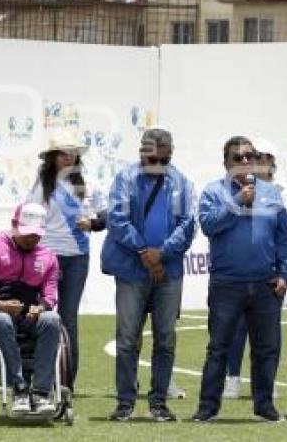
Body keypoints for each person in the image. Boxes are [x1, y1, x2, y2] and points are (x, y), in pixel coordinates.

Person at [192, 136, 287, 423]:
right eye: (238, 158)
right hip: (227, 283)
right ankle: (208, 407)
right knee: (218, 347)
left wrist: (284, 273)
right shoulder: (213, 192)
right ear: (226, 163)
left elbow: (282, 237)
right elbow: (209, 226)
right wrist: (237, 201)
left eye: (250, 156)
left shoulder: (272, 192)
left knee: (266, 348)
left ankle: (264, 405)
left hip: (265, 283)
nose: (246, 162)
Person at [101, 128, 195, 422]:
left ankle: (158, 403)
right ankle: (125, 403)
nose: (147, 155)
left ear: (169, 151)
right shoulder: (125, 178)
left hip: (169, 271)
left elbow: (188, 224)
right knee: (127, 339)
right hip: (132, 271)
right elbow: (117, 219)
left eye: (154, 151)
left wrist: (162, 253)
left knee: (165, 339)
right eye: (143, 149)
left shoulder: (181, 182)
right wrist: (144, 252)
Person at [28, 130, 106, 388]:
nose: (69, 157)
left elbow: (105, 216)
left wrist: (93, 223)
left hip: (77, 259)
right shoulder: (41, 184)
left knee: (68, 318)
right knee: (44, 315)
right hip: (46, 257)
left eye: (72, 153)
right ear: (52, 157)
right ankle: (40, 377)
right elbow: (28, 215)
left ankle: (66, 381)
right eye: (63, 153)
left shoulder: (87, 185)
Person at [0, 202, 62, 416]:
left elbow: (50, 295)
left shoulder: (48, 257)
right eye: (28, 233)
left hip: (29, 317)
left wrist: (41, 307)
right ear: (14, 224)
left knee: (52, 319)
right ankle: (19, 388)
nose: (33, 238)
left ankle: (41, 392)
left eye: (38, 234)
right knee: (1, 320)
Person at [223, 140, 282, 400]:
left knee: (268, 336)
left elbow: (283, 234)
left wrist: (284, 271)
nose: (257, 162)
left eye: (262, 157)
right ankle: (233, 378)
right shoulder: (230, 189)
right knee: (236, 331)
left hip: (267, 275)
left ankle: (268, 382)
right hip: (235, 276)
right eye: (251, 157)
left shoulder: (279, 191)